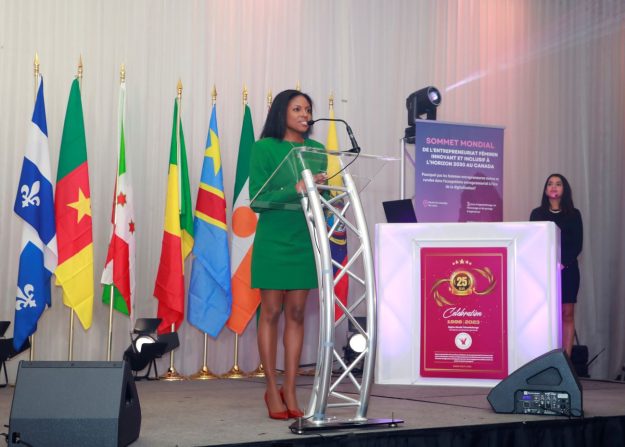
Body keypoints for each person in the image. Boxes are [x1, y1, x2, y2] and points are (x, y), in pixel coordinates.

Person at [249, 89, 327, 420]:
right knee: (270, 311)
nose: (305, 114)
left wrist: (324, 193)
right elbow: (257, 200)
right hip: (273, 239)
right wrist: (294, 190)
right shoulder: (264, 148)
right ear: (281, 112)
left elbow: (322, 198)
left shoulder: (317, 151)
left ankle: (291, 388)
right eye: (297, 109)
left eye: (307, 109)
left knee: (296, 313)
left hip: (304, 238)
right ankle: (271, 388)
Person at [530, 174, 583, 358]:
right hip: (543, 272)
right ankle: (544, 358)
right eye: (550, 184)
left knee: (566, 313)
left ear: (564, 189)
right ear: (546, 190)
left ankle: (565, 360)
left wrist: (562, 263)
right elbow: (534, 241)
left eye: (558, 184)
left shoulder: (574, 214)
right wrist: (547, 264)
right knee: (545, 315)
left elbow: (577, 244)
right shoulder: (537, 214)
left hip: (568, 270)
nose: (554, 187)